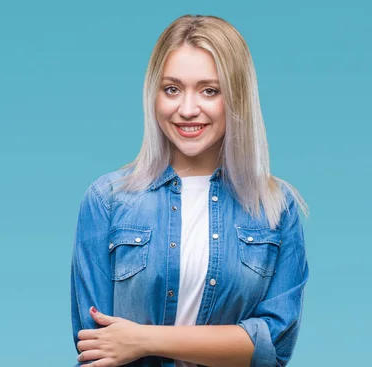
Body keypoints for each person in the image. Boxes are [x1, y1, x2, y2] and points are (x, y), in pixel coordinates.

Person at [70, 14, 309, 367]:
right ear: (154, 95)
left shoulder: (276, 208)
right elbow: (96, 347)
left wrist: (144, 339)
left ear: (237, 98)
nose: (187, 109)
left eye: (209, 90)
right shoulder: (107, 200)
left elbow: (272, 348)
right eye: (172, 89)